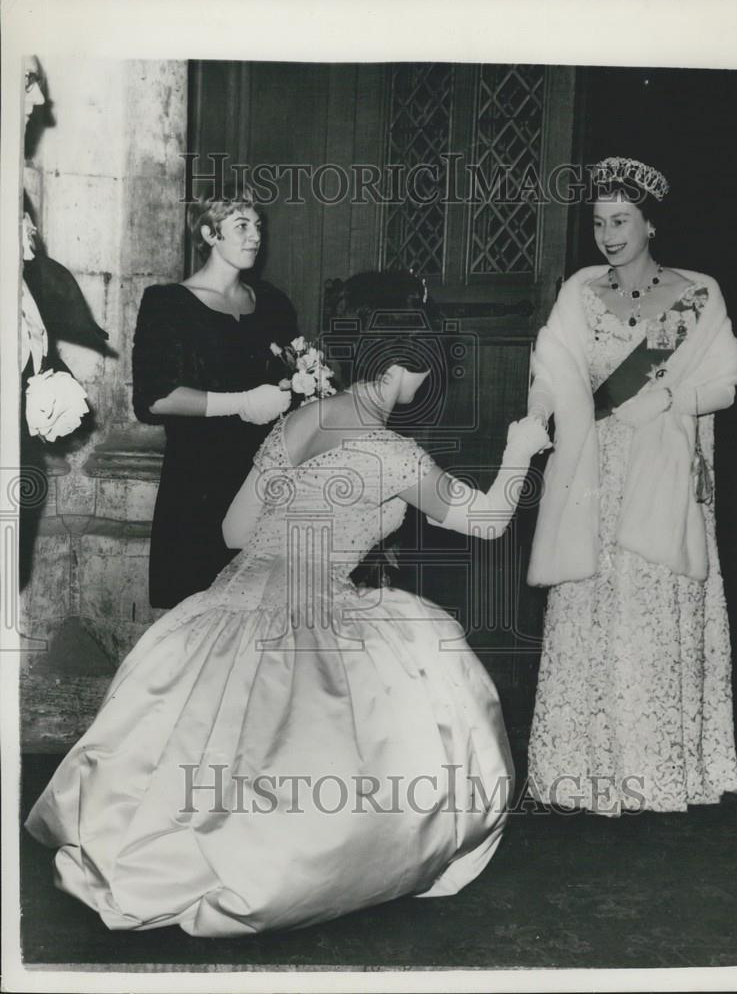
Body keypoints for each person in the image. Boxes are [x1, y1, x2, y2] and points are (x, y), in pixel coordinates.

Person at [25, 271, 552, 937]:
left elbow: (234, 533)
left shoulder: (300, 422)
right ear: (400, 367)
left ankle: (151, 844)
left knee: (197, 748)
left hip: (230, 604)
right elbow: (486, 521)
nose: (427, 385)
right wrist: (518, 454)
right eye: (426, 369)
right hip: (312, 609)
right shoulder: (393, 455)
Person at [526, 156, 737, 815]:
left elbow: (728, 383)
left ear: (649, 223)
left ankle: (653, 767)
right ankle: (580, 766)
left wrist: (668, 397)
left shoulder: (695, 292)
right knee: (592, 603)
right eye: (598, 222)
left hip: (659, 469)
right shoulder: (578, 291)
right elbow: (551, 375)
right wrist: (533, 430)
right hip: (591, 471)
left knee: (650, 603)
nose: (608, 234)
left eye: (621, 220)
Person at [132, 184, 296, 608]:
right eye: (241, 225)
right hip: (199, 482)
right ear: (208, 234)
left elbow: (296, 377)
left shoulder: (275, 303)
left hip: (266, 480)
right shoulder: (168, 304)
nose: (255, 236)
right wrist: (241, 403)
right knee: (201, 617)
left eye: (257, 226)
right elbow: (154, 398)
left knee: (263, 616)